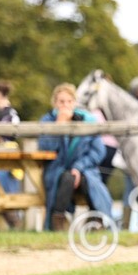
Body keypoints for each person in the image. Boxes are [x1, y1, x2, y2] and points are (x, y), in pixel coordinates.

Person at [38, 83, 113, 231]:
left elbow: (98, 151)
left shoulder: (87, 120)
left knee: (88, 182)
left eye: (69, 101)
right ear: (55, 103)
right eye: (61, 101)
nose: (65, 105)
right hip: (56, 170)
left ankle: (97, 221)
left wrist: (78, 167)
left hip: (85, 170)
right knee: (67, 178)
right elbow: (46, 148)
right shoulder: (48, 121)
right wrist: (58, 127)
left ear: (75, 102)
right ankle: (57, 221)